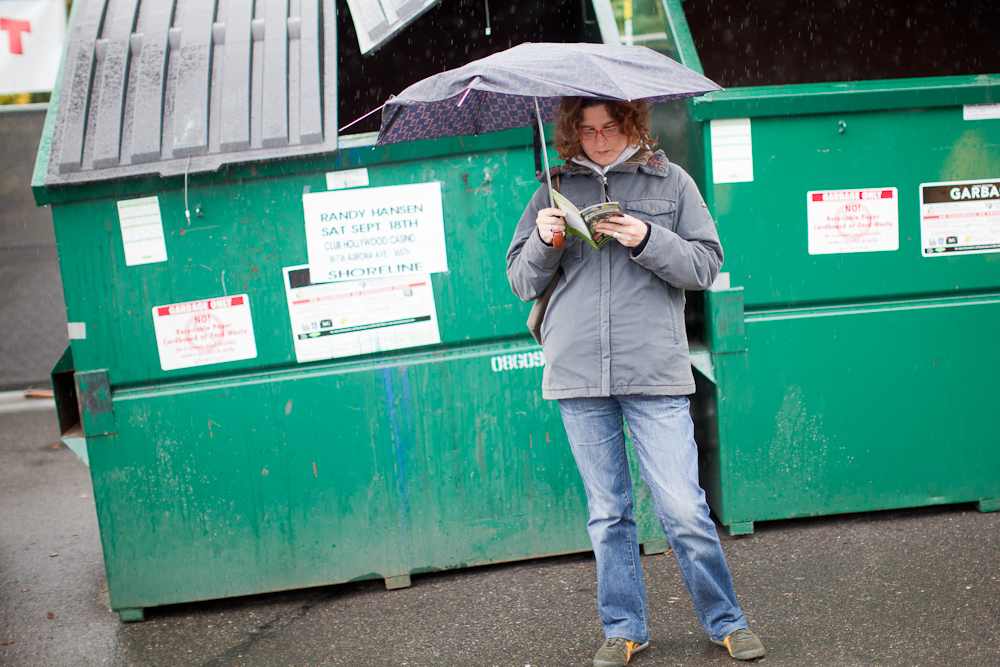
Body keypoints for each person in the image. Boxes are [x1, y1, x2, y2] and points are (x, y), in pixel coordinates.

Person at [505, 97, 765, 666]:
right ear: (573, 132)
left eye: (610, 128)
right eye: (587, 130)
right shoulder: (553, 187)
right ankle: (624, 629)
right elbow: (522, 282)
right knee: (607, 513)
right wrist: (544, 242)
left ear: (632, 126)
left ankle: (727, 621)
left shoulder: (670, 182)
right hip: (576, 371)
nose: (598, 140)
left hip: (653, 370)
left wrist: (645, 238)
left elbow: (705, 265)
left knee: (684, 507)